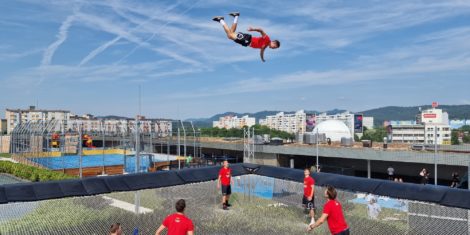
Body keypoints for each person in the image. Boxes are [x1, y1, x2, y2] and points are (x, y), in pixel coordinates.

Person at [212, 12, 280, 62]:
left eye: (274, 48)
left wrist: (262, 58)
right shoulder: (267, 39)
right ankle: (221, 20)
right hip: (247, 39)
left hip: (246, 43)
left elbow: (262, 52)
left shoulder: (265, 46)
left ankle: (235, 16)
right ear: (273, 42)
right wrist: (252, 29)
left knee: (231, 33)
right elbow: (261, 30)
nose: (273, 48)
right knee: (230, 35)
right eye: (274, 47)